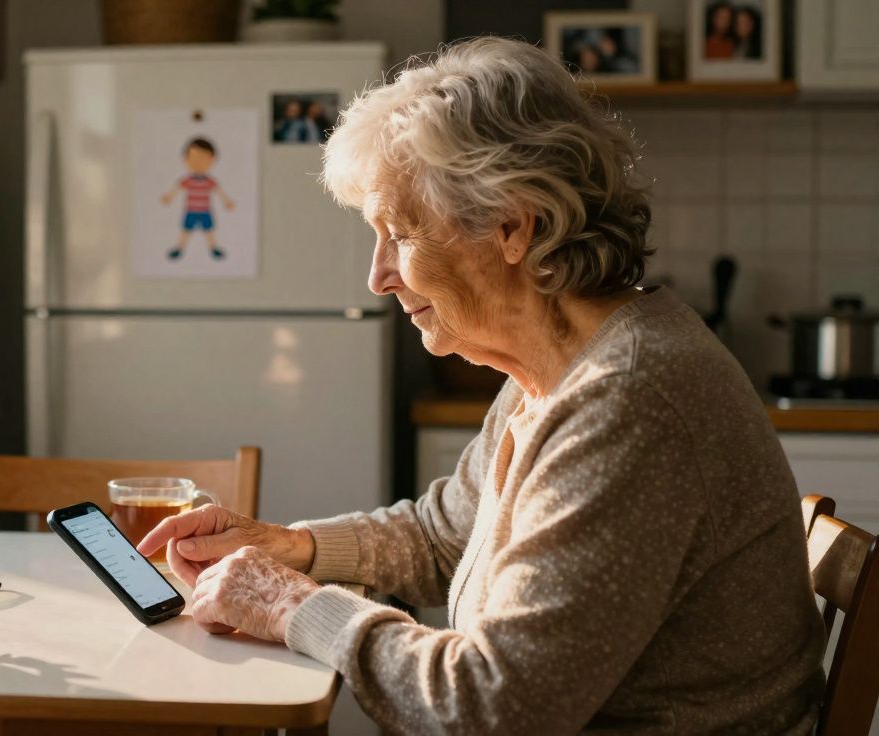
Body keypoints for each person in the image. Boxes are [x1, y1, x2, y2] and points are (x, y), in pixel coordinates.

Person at [138, 36, 825, 734]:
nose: (377, 277)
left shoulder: (630, 398)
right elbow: (445, 536)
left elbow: (492, 709)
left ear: (511, 226)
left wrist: (291, 606)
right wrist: (292, 548)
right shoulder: (556, 364)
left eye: (398, 235)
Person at [160, 137, 234, 261]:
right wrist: (169, 197)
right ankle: (180, 248)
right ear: (186, 160)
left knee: (209, 231)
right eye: (194, 158)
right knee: (185, 230)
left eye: (203, 159)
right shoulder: (187, 180)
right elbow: (177, 189)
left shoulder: (210, 181)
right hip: (191, 210)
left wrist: (227, 202)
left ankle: (213, 248)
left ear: (212, 160)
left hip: (205, 210)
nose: (198, 163)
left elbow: (219, 191)